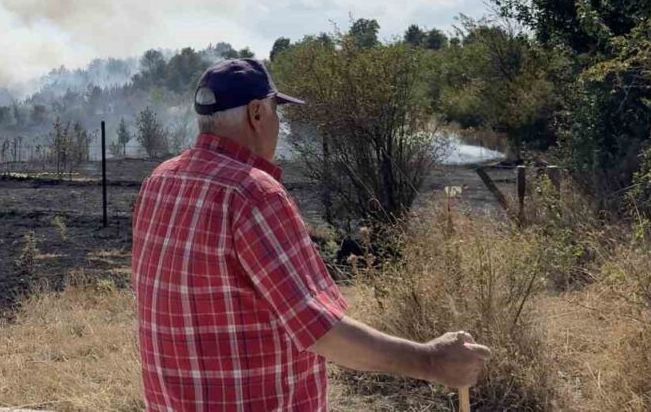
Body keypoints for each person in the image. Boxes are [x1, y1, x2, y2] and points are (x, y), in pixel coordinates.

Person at [131, 58, 491, 411]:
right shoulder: (254, 194)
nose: (279, 124)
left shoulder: (161, 180)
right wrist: (431, 361)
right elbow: (322, 331)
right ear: (257, 114)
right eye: (276, 111)